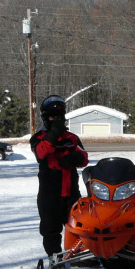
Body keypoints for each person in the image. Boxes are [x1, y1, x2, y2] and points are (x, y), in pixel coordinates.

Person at [30, 94, 89, 256]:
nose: (56, 120)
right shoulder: (38, 138)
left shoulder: (72, 138)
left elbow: (84, 158)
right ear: (45, 118)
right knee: (50, 229)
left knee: (78, 225)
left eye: (59, 117)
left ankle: (79, 256)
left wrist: (73, 158)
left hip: (71, 192)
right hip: (50, 193)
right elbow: (40, 154)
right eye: (52, 117)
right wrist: (53, 134)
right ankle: (55, 260)